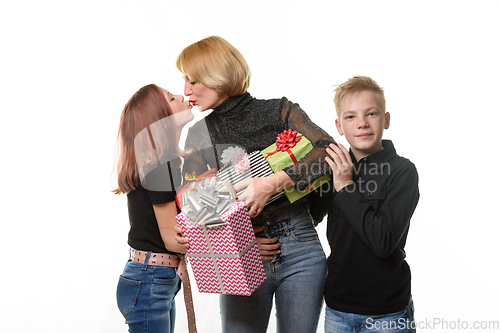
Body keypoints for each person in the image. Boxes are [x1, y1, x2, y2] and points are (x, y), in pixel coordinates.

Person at [174, 35, 334, 333]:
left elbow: (329, 151)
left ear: (217, 75)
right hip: (243, 255)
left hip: (301, 249)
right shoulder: (198, 134)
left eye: (193, 80)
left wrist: (273, 183)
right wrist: (239, 246)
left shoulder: (279, 110)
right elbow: (193, 209)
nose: (186, 90)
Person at [322, 76, 419, 333]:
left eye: (371, 113)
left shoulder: (402, 171)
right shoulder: (334, 168)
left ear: (386, 119)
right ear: (339, 126)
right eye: (351, 117)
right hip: (337, 309)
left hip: (386, 314)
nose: (362, 123)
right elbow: (306, 218)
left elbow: (383, 241)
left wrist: (345, 186)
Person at [113, 84, 197, 333]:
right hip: (151, 281)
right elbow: (173, 240)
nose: (182, 96)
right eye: (172, 98)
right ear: (161, 119)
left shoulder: (161, 161)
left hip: (151, 279)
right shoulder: (162, 164)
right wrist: (230, 241)